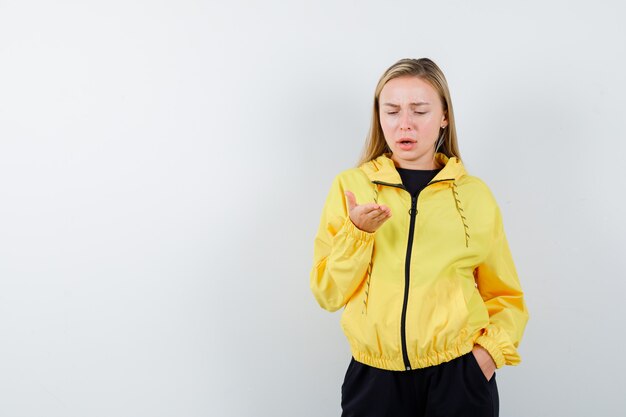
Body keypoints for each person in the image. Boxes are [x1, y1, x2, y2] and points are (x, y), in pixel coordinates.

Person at [310, 58, 529, 417]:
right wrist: (358, 234)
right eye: (392, 110)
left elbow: (505, 296)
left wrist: (484, 361)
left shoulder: (475, 196)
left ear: (444, 116)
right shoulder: (351, 188)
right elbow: (328, 293)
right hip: (375, 380)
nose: (404, 124)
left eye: (420, 110)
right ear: (378, 116)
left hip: (459, 377)